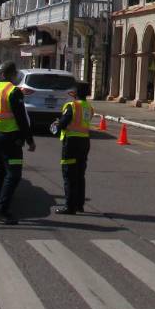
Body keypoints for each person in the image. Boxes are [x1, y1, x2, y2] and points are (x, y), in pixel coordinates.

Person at [0, 62, 35, 224]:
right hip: (10, 139)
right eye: (15, 74)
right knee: (13, 174)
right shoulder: (13, 91)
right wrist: (29, 140)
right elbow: (21, 119)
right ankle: (2, 209)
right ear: (12, 74)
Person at [50, 81, 93, 214]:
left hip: (71, 143)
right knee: (80, 174)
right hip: (84, 142)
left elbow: (63, 123)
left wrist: (57, 124)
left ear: (74, 93)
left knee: (69, 175)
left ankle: (69, 206)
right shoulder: (89, 107)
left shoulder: (72, 106)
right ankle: (79, 205)